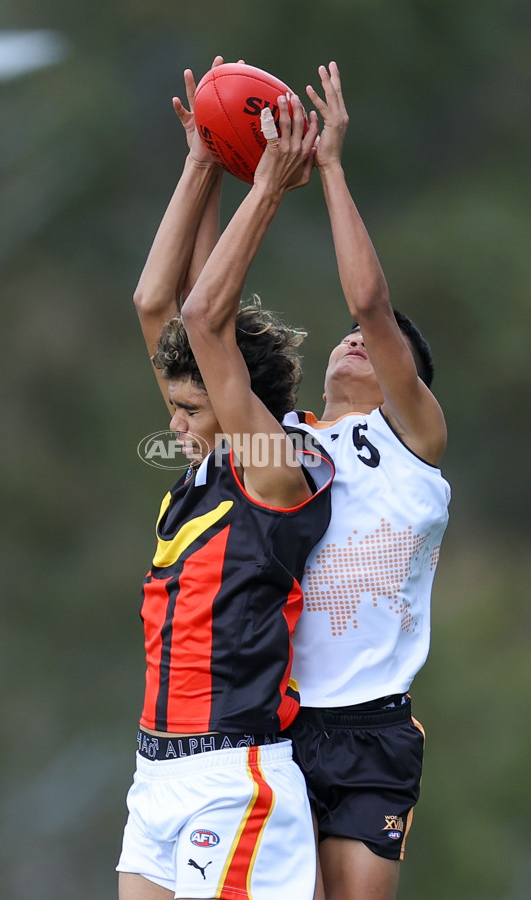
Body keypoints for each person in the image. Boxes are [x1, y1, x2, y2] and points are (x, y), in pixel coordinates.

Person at [116, 60, 334, 900]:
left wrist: (268, 186)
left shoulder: (273, 468)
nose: (173, 423)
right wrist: (201, 162)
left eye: (189, 408)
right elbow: (157, 301)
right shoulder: (209, 459)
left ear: (241, 402)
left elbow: (206, 318)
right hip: (155, 769)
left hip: (232, 778)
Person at [281, 63, 451, 900]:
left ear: (405, 378)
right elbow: (199, 324)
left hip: (373, 728)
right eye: (344, 335)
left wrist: (332, 165)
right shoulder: (285, 442)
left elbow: (372, 302)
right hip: (276, 721)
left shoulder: (413, 440)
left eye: (378, 342)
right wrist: (216, 171)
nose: (356, 336)